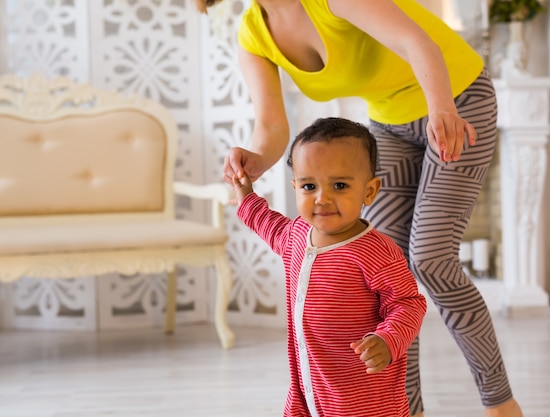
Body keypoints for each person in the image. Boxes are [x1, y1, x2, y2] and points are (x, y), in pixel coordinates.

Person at [197, 0, 524, 416]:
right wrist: (255, 159)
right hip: (389, 121)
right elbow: (272, 126)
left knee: (430, 259)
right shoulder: (254, 35)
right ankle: (406, 408)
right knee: (387, 273)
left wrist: (442, 108)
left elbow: (416, 40)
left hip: (455, 95)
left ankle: (501, 404)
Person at [231, 116, 428, 416]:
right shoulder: (295, 234)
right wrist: (246, 196)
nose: (322, 198)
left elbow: (408, 304)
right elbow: (266, 222)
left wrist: (388, 340)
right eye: (309, 186)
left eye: (339, 185)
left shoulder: (377, 252)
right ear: (295, 187)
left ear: (369, 191)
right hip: (308, 389)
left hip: (364, 400)